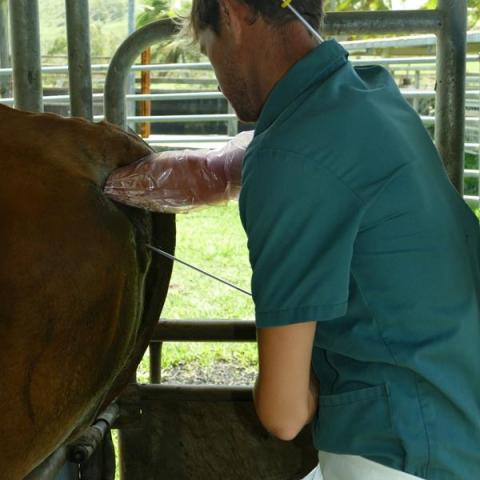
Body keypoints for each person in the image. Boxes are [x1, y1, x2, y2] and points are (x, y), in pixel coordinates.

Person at [105, 1, 480, 478]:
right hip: (459, 421)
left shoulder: (289, 158)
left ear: (232, 12)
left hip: (400, 454)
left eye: (209, 49)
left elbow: (283, 414)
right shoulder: (373, 91)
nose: (218, 79)